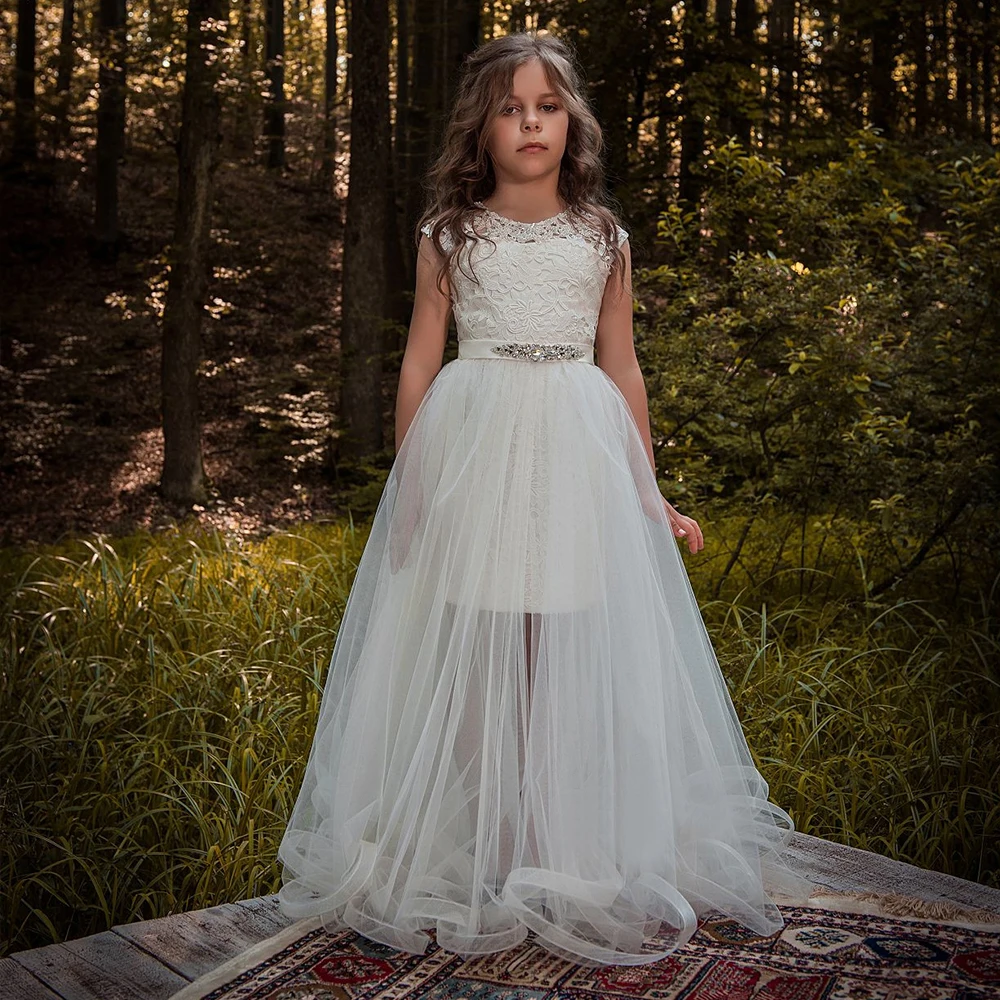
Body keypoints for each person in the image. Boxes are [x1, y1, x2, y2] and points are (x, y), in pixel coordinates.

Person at [276, 30, 816, 967]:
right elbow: (418, 358)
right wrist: (412, 482)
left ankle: (553, 847)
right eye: (512, 108)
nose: (532, 124)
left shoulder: (603, 237)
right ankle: (487, 841)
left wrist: (649, 490)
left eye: (549, 107)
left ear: (574, 122)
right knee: (480, 638)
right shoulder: (450, 235)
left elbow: (623, 364)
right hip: (477, 439)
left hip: (576, 448)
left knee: (561, 644)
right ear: (481, 129)